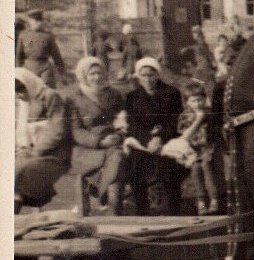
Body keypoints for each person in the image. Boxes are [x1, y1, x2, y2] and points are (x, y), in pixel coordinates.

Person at [124, 56, 186, 215]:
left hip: (166, 140)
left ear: (157, 74)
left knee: (170, 164)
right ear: (138, 76)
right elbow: (133, 125)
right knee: (135, 165)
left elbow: (175, 120)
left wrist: (160, 137)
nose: (147, 79)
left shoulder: (171, 93)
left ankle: (173, 212)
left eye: (151, 74)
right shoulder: (132, 97)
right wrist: (147, 141)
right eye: (143, 75)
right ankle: (142, 211)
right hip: (142, 143)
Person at [68, 55, 128, 214]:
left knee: (118, 157)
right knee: (115, 160)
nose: (96, 77)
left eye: (99, 73)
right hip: (87, 147)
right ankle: (104, 197)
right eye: (91, 74)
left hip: (113, 141)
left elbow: (123, 118)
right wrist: (100, 142)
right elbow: (76, 131)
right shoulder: (74, 98)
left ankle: (113, 208)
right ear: (83, 75)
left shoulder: (114, 94)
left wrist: (120, 135)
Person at [14, 67, 72, 212]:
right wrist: (23, 149)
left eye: (21, 89)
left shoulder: (50, 97)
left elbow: (57, 131)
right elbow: (20, 131)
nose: (19, 94)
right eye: (15, 91)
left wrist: (35, 151)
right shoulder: (23, 102)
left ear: (29, 83)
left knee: (20, 170)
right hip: (31, 152)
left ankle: (11, 216)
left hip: (54, 154)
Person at [173, 80, 220, 214]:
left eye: (200, 100)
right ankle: (201, 203)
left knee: (206, 167)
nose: (197, 104)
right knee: (196, 170)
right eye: (193, 101)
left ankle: (214, 200)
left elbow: (216, 131)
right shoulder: (185, 116)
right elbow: (184, 135)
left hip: (208, 148)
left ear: (205, 99)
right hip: (192, 150)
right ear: (187, 102)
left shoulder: (209, 114)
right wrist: (198, 119)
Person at [15, 10, 67, 89]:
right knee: (29, 92)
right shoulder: (23, 35)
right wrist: (18, 72)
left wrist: (62, 73)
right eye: (36, 21)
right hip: (29, 68)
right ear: (30, 21)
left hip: (45, 68)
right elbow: (19, 56)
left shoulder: (48, 36)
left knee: (47, 91)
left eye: (40, 20)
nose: (39, 23)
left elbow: (56, 56)